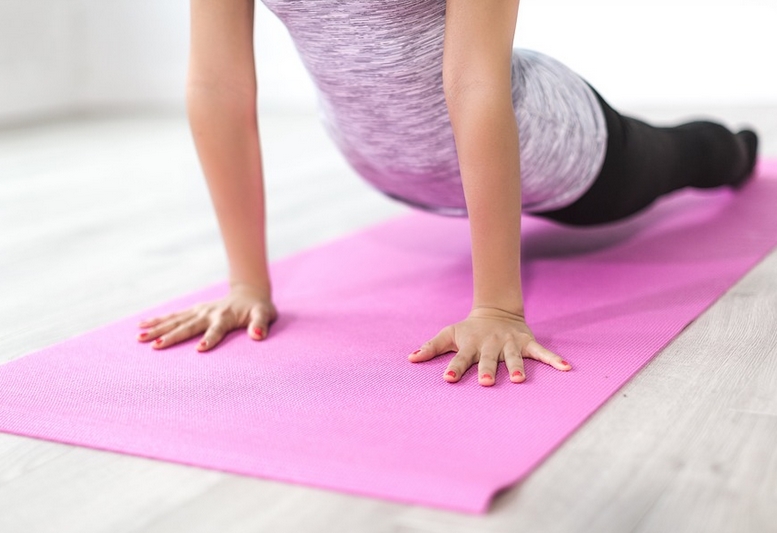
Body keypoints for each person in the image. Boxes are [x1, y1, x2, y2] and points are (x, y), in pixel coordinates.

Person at [135, 0, 758, 386]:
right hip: (393, 165)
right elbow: (218, 87)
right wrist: (248, 285)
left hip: (554, 145)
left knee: (684, 156)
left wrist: (497, 310)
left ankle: (735, 149)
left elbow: (475, 84)